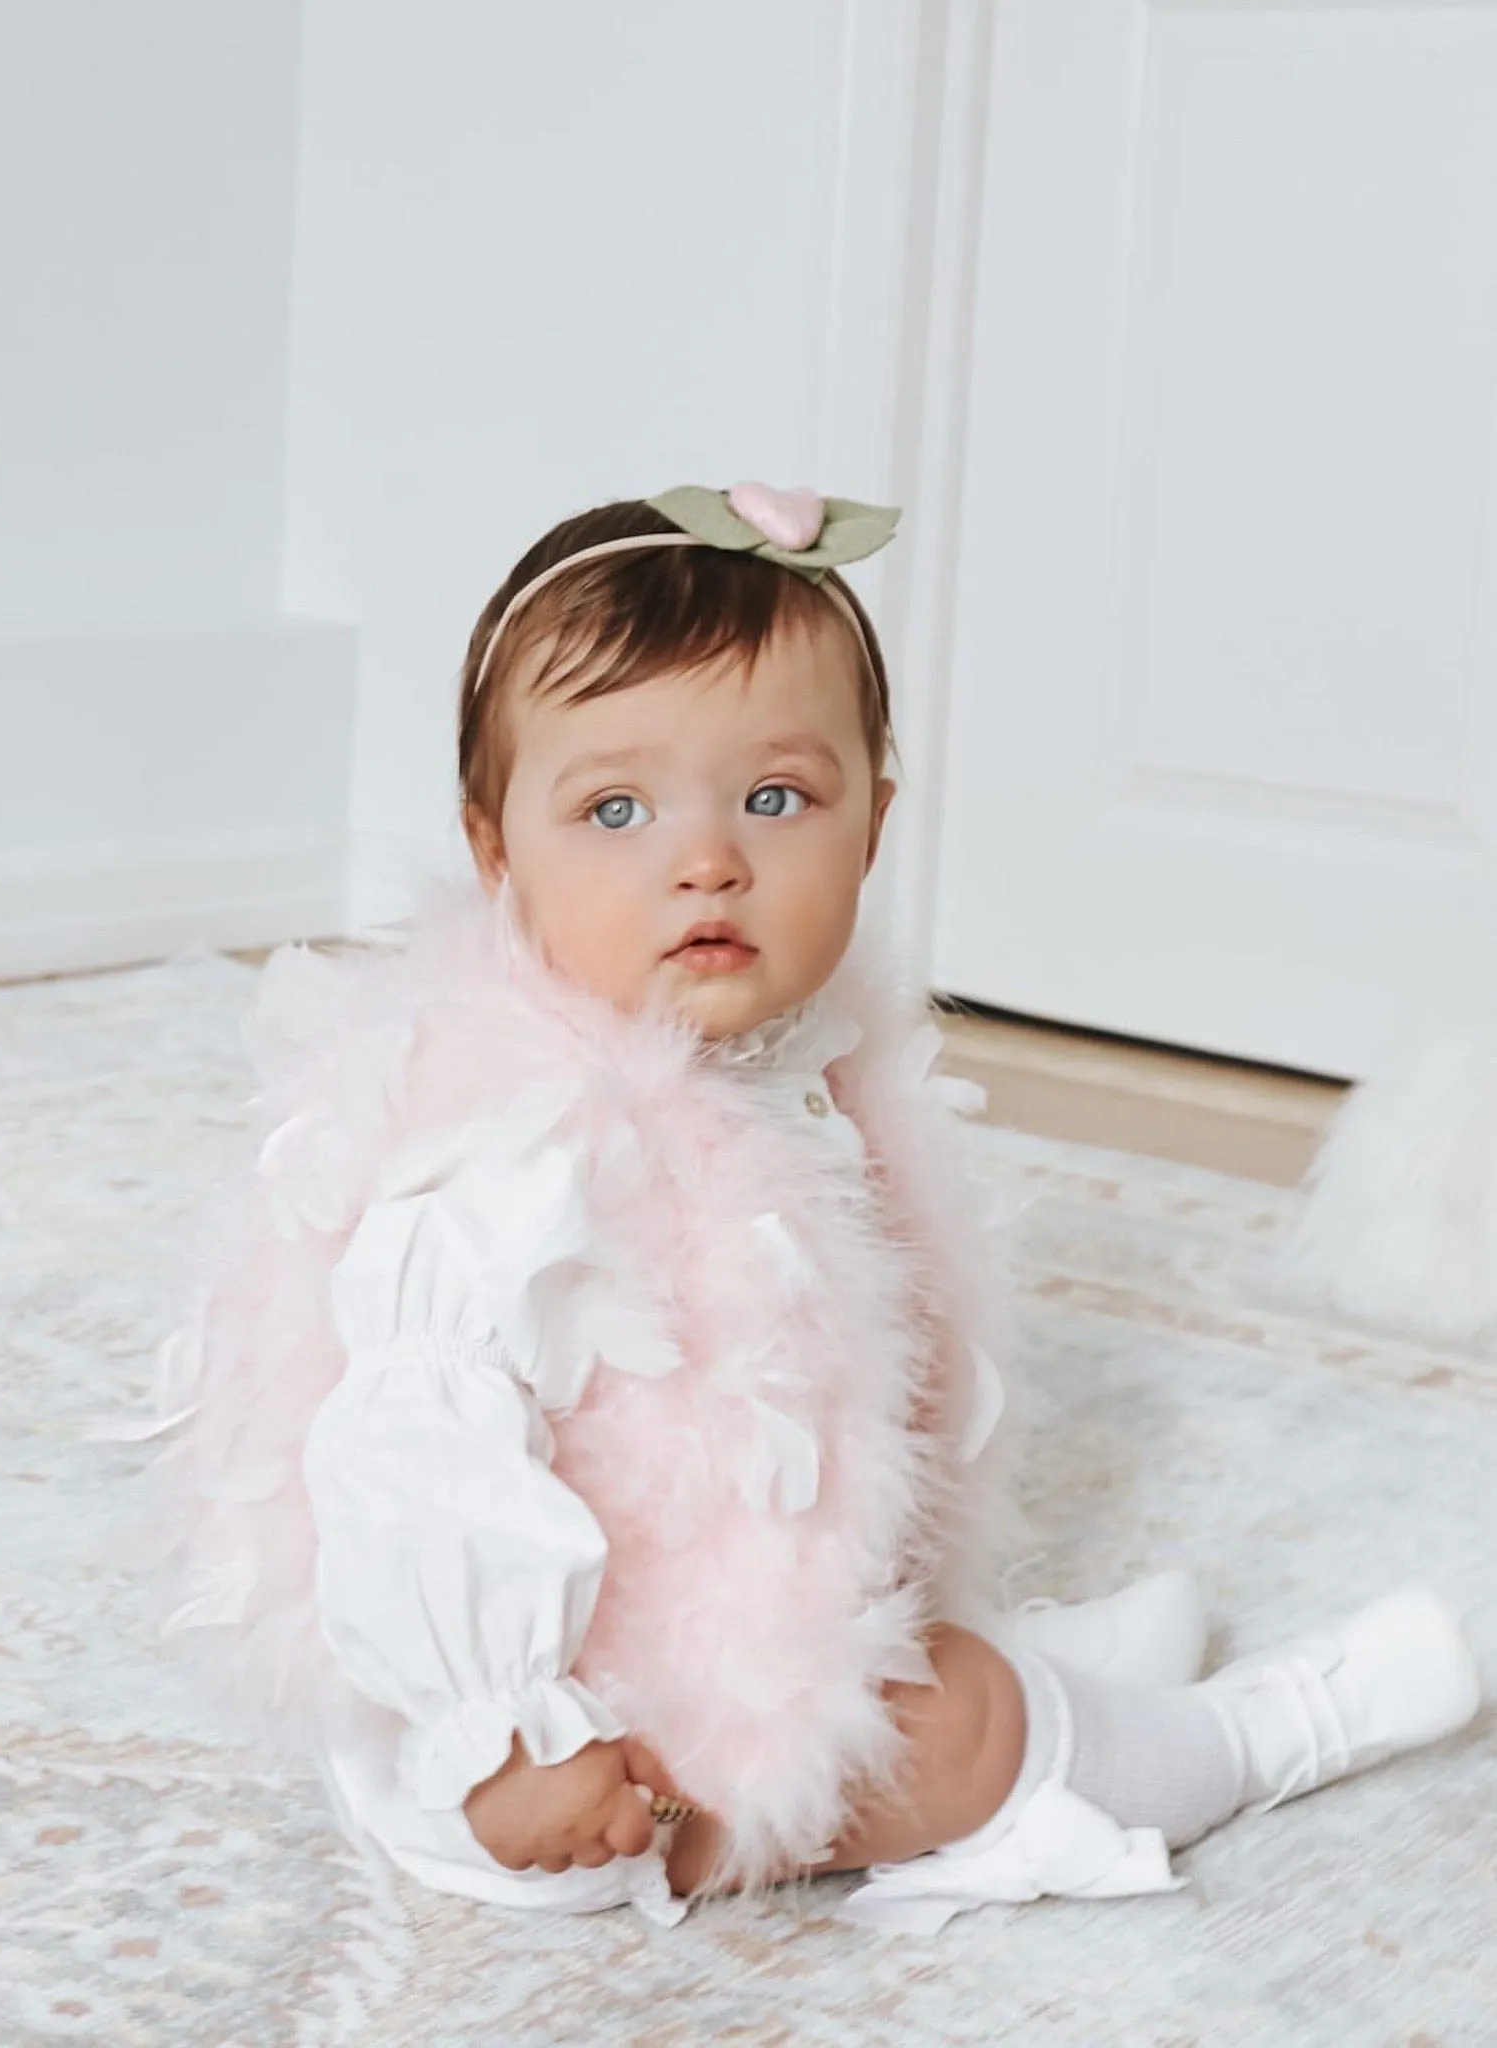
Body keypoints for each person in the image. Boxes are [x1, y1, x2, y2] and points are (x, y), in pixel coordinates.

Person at [155, 483, 1484, 1932]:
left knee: (919, 1648)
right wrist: (503, 1734)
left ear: (870, 824)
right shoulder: (509, 1163)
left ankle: (998, 1666)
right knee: (965, 1727)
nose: (706, 857)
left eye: (774, 799)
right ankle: (1246, 1739)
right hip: (555, 1773)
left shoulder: (791, 1076)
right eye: (614, 808)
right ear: (492, 852)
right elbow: (413, 1470)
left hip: (689, 1629)